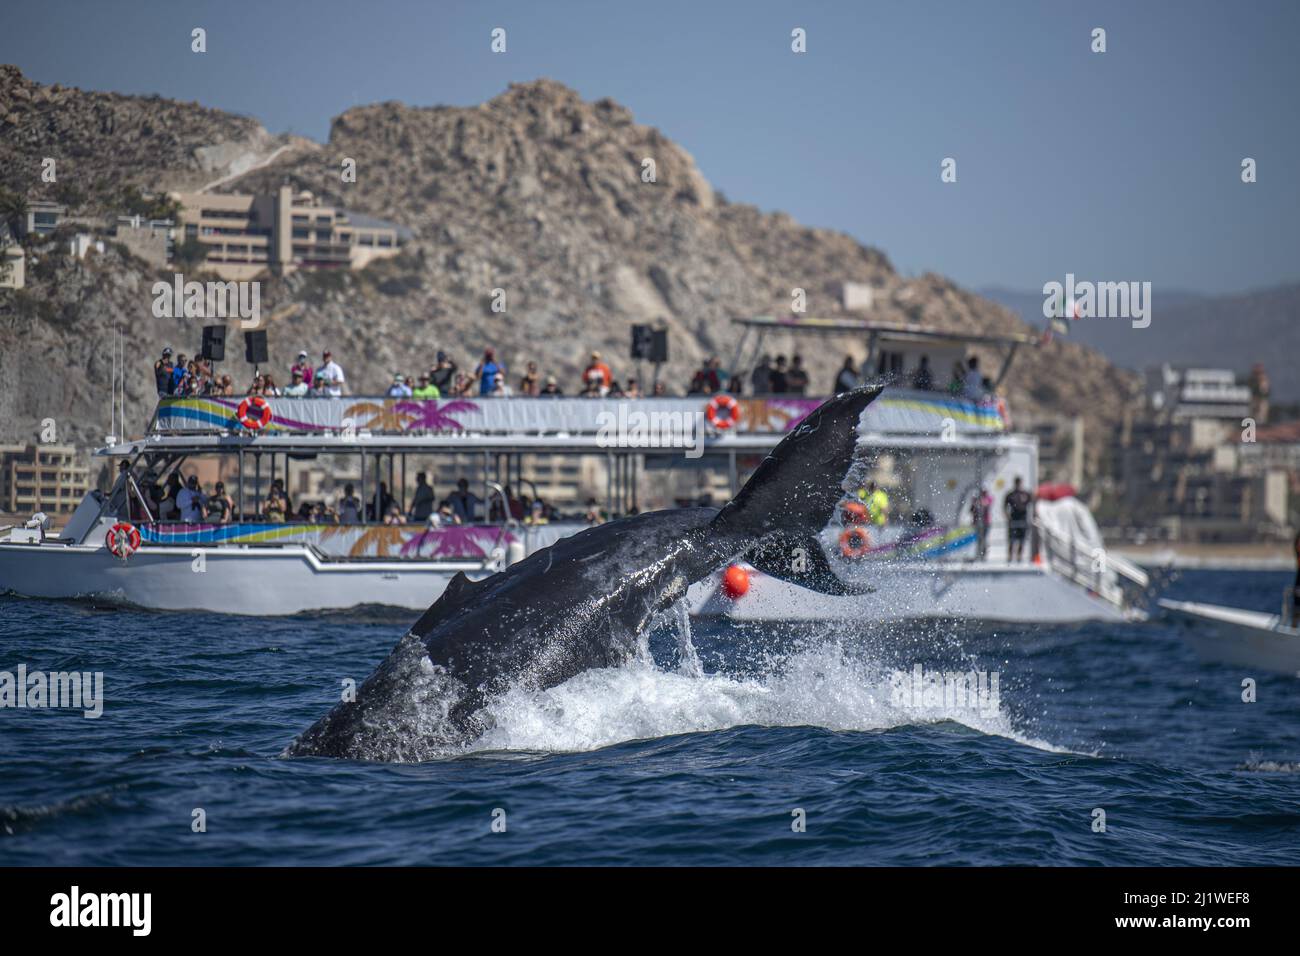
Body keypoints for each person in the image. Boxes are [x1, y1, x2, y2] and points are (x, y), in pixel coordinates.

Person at [1003, 477, 1034, 563]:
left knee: (1022, 539)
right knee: (1012, 538)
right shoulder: (1010, 494)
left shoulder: (1026, 494)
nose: (1018, 485)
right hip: (1013, 519)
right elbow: (1004, 506)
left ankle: (1019, 556)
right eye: (1017, 483)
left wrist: (1034, 516)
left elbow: (1032, 503)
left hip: (1023, 518)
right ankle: (1010, 556)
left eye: (1019, 483)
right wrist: (1007, 516)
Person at [970, 486, 992, 560]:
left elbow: (986, 504)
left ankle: (983, 555)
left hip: (986, 522)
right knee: (979, 539)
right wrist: (974, 501)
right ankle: (978, 554)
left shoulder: (988, 498)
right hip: (977, 522)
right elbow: (972, 510)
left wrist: (978, 502)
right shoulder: (976, 500)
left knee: (984, 539)